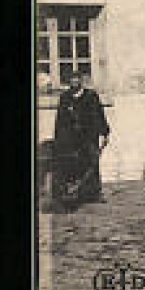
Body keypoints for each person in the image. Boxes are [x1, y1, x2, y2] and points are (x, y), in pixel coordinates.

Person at [52, 72, 110, 211]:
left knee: (92, 162)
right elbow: (60, 119)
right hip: (72, 138)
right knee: (76, 164)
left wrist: (105, 132)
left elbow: (99, 114)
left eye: (77, 80)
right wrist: (58, 137)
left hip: (89, 135)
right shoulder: (65, 97)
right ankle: (79, 193)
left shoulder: (91, 96)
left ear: (81, 81)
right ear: (69, 82)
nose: (74, 82)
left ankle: (95, 193)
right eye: (72, 80)